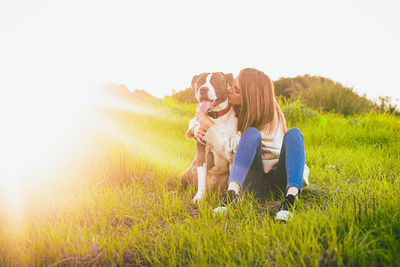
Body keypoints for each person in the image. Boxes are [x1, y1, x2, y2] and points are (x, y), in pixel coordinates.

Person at [193, 67, 309, 221]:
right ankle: (230, 196)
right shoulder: (235, 110)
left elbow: (229, 149)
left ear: (250, 97)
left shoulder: (269, 113)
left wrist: (208, 126)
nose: (229, 90)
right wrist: (195, 127)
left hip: (279, 178)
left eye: (236, 90)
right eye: (233, 85)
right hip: (254, 181)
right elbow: (206, 116)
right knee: (251, 134)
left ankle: (290, 200)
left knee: (294, 133)